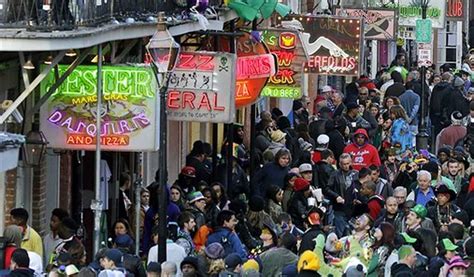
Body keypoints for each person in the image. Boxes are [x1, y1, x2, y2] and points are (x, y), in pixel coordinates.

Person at [325, 153, 359, 237]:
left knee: (353, 233)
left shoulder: (356, 174)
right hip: (339, 208)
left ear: (351, 162)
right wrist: (336, 196)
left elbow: (360, 188)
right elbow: (327, 189)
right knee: (340, 232)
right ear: (340, 164)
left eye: (348, 163)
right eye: (344, 164)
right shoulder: (335, 174)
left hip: (353, 208)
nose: (346, 166)